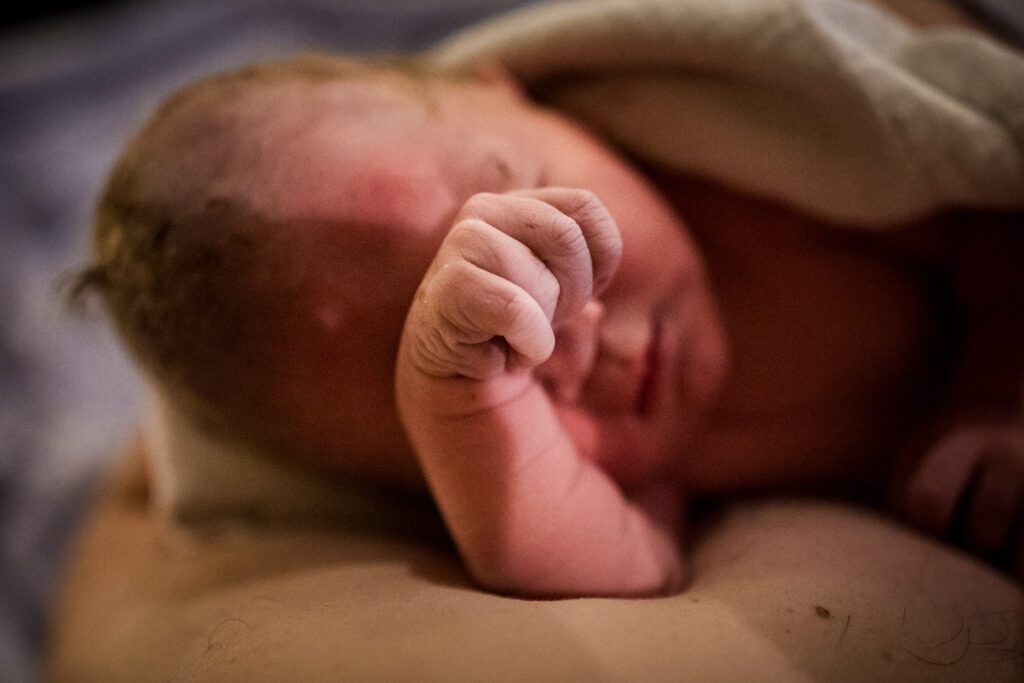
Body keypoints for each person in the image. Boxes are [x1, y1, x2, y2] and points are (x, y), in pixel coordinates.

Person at [48, 0, 1023, 678]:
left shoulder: (764, 178)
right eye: (475, 350)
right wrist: (475, 408)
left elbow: (988, 212)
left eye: (520, 203)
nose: (568, 336)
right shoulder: (629, 475)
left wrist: (994, 390)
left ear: (518, 95)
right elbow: (627, 564)